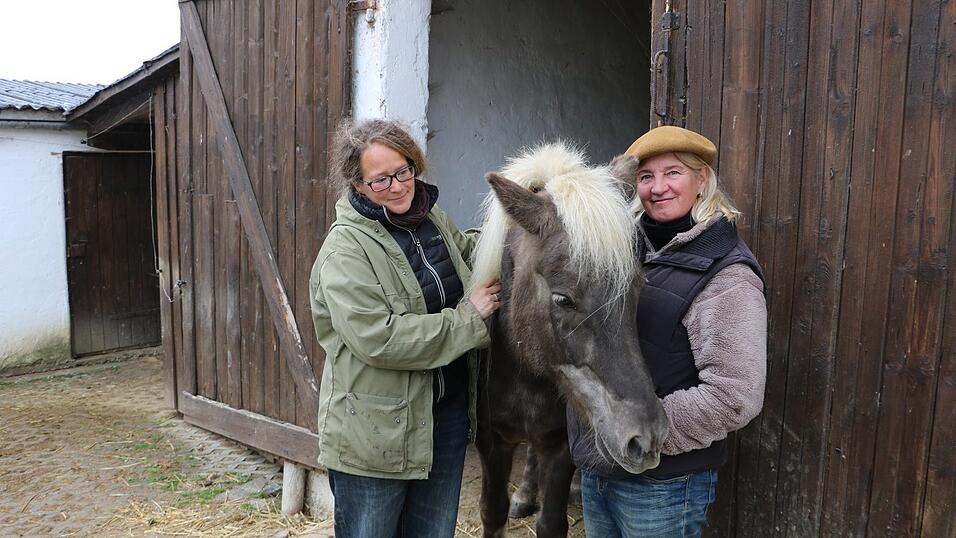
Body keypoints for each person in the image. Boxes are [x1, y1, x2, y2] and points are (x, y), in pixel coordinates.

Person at [567, 125, 768, 537]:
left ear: (702, 180)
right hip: (601, 465)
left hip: (663, 482)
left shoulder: (726, 275)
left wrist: (638, 429)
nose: (658, 188)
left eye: (673, 173)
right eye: (646, 177)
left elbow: (734, 395)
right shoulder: (618, 251)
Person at [309, 118, 501, 537]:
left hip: (443, 419)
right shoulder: (345, 251)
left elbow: (468, 253)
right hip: (376, 434)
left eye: (404, 171)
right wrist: (469, 319)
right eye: (381, 180)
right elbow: (381, 339)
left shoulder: (430, 219)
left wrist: (513, 229)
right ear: (358, 185)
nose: (398, 187)